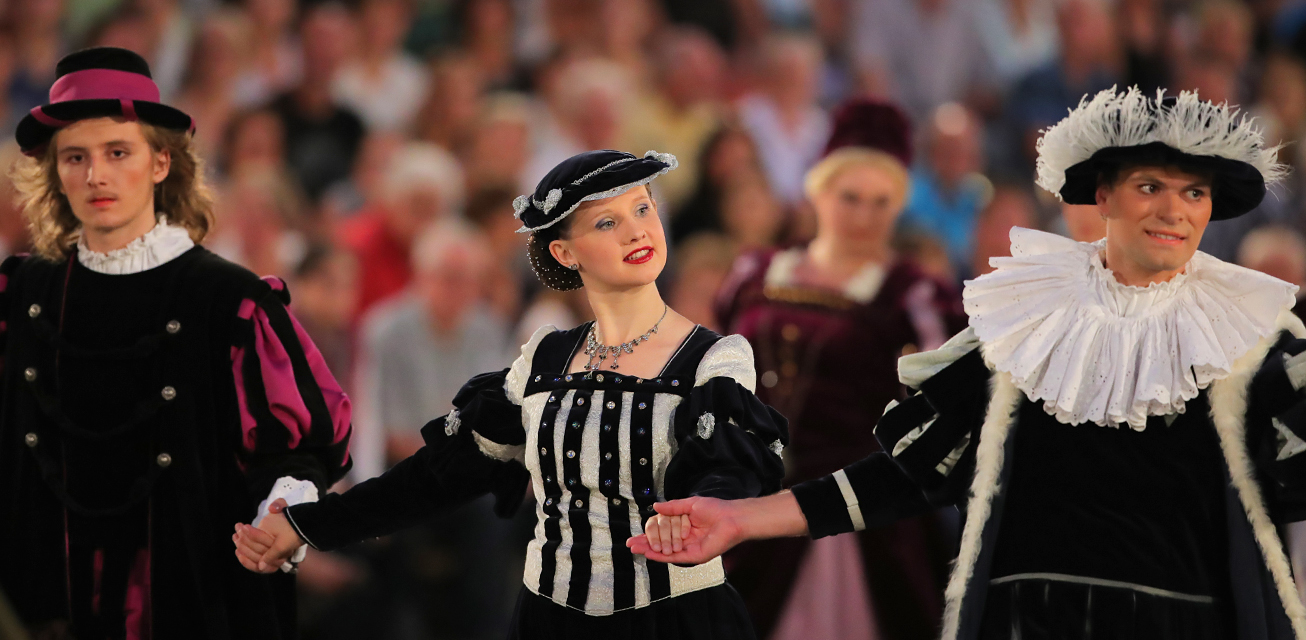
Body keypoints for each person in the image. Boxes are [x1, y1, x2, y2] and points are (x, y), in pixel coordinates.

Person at [631, 87, 1306, 640]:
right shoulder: (1025, 322)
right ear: (1102, 195)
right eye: (1150, 186)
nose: (1174, 211)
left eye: (1194, 194)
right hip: (1028, 625)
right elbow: (909, 475)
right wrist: (744, 519)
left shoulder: (1251, 337)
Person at [235, 149, 789, 639]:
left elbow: (731, 470)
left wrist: (699, 511)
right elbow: (435, 477)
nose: (636, 231)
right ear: (565, 253)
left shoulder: (715, 358)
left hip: (674, 621)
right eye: (607, 222)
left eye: (643, 209)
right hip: (550, 620)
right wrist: (307, 525)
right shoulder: (544, 359)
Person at [0, 47, 352, 639]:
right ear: (55, 172)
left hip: (190, 599)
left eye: (118, 152)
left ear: (162, 162)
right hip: (43, 601)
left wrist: (282, 503)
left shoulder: (228, 300)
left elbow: (297, 446)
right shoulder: (23, 293)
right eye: (75, 157)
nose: (96, 175)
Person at [714, 98, 966, 640]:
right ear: (819, 191)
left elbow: (947, 403)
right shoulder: (755, 273)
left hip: (854, 510)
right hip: (747, 498)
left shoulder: (914, 295)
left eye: (881, 202)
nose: (863, 217)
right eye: (850, 197)